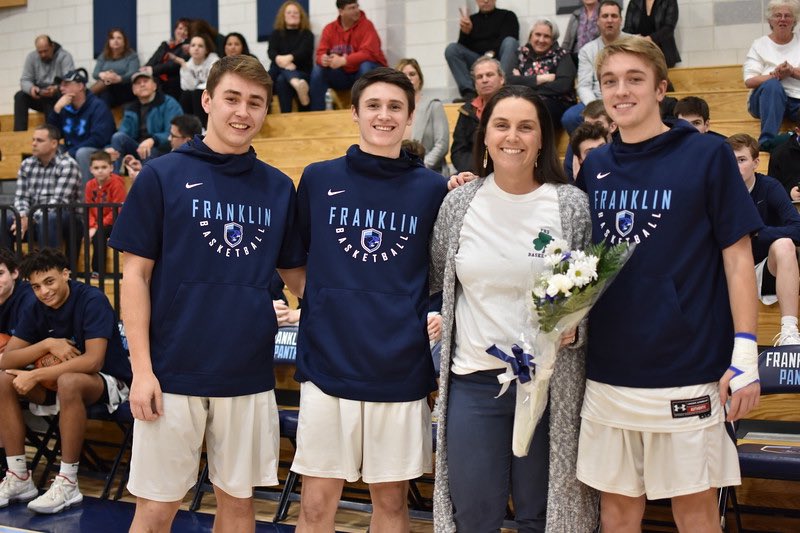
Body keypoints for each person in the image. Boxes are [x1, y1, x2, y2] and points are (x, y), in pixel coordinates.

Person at [108, 55, 305, 533]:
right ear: (208, 100)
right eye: (232, 98)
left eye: (255, 103)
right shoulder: (161, 175)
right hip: (171, 374)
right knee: (156, 509)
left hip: (248, 374)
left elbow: (300, 279)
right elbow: (133, 277)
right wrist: (141, 371)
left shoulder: (279, 188)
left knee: (238, 507)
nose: (243, 112)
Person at [576, 36, 762, 532]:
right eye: (610, 81)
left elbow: (738, 258)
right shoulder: (595, 167)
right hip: (609, 372)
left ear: (661, 88)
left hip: (688, 369)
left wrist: (745, 351)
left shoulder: (707, 155)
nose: (621, 91)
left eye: (634, 79)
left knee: (695, 512)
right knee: (616, 512)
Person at [430, 84, 599, 532]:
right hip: (473, 383)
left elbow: (591, 301)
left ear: (543, 138)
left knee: (542, 516)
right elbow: (438, 284)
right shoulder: (458, 204)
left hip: (550, 385)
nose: (513, 136)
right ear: (484, 135)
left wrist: (575, 330)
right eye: (501, 125)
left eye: (526, 127)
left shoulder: (571, 206)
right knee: (473, 515)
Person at [291, 67, 447, 532]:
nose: (384, 116)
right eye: (374, 106)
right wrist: (325, 302)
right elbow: (291, 260)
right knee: (316, 506)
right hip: (326, 363)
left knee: (391, 506)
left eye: (395, 107)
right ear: (355, 113)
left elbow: (439, 275)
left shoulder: (432, 189)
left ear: (410, 115)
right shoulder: (318, 179)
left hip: (398, 367)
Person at [0, 247, 131, 514]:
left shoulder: (92, 299)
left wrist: (36, 374)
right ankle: (19, 477)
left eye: (49, 281)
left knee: (70, 380)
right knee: (2, 379)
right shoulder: (37, 307)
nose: (44, 291)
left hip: (109, 381)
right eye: (36, 287)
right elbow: (7, 359)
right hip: (56, 384)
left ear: (66, 274)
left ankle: (69, 481)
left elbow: (93, 361)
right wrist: (48, 344)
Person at [727, 133, 800, 345]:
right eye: (730, 162)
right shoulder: (715, 191)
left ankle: (789, 332)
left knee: (785, 245)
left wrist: (757, 232)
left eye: (741, 160)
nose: (735, 167)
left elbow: (797, 228)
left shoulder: (770, 187)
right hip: (727, 270)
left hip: (761, 268)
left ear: (756, 162)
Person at [5, 124, 81, 252]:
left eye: (39, 140)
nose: (34, 144)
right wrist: (22, 216)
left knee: (49, 218)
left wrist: (30, 219)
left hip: (67, 219)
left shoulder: (68, 165)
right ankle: (9, 268)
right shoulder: (27, 164)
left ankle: (49, 268)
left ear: (53, 143)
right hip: (35, 218)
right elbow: (21, 197)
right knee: (5, 220)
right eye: (33, 140)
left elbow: (59, 203)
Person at [561, 0, 628, 134]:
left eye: (614, 16)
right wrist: (597, 108)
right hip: (597, 99)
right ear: (597, 21)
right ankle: (585, 150)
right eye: (605, 16)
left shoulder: (634, 43)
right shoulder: (587, 50)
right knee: (570, 118)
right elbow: (584, 85)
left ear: (621, 20)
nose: (609, 20)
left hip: (626, 95)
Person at [308, 0, 388, 111]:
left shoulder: (367, 25)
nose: (356, 11)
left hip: (365, 73)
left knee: (366, 66)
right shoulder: (329, 29)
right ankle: (317, 115)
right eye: (351, 8)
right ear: (341, 11)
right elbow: (319, 54)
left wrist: (343, 60)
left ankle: (367, 111)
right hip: (343, 75)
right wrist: (324, 60)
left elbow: (368, 53)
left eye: (357, 7)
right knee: (318, 70)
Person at [744, 0, 800, 151]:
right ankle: (766, 142)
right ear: (770, 20)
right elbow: (749, 81)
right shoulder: (759, 44)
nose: (782, 19)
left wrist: (792, 72)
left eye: (787, 16)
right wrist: (776, 75)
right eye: (777, 15)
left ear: (794, 20)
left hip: (796, 102)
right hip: (766, 100)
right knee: (772, 85)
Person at [46, 68, 116, 185]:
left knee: (82, 153)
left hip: (97, 150)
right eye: (61, 85)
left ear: (80, 86)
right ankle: (54, 196)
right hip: (72, 148)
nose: (61, 88)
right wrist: (56, 110)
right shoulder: (64, 107)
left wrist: (72, 152)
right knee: (50, 149)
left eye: (66, 84)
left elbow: (99, 138)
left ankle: (85, 201)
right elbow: (52, 135)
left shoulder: (97, 106)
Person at [105, 71, 183, 171]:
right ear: (133, 90)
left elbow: (173, 133)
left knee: (151, 152)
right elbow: (123, 131)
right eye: (138, 83)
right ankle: (114, 182)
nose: (142, 84)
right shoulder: (131, 108)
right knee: (117, 138)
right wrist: (111, 148)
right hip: (138, 148)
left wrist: (153, 140)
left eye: (145, 81)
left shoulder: (169, 104)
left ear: (154, 86)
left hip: (161, 148)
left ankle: (145, 183)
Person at [507, 19, 576, 129]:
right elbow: (509, 81)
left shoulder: (562, 55)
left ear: (553, 39)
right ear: (530, 36)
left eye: (547, 36)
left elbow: (563, 85)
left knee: (538, 108)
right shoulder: (520, 53)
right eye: (537, 34)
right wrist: (542, 78)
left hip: (555, 103)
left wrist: (523, 82)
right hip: (524, 100)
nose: (541, 40)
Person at [444, 0, 519, 102]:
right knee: (451, 49)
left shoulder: (507, 16)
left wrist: (489, 55)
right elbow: (460, 50)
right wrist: (465, 33)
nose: (486, 1)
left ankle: (503, 87)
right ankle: (469, 92)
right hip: (477, 62)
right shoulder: (471, 20)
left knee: (510, 42)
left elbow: (511, 41)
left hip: (499, 61)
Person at [450, 56, 505, 173]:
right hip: (473, 172)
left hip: (506, 171)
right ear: (475, 84)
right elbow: (458, 151)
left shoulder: (514, 106)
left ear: (501, 79)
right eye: (479, 77)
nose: (484, 80)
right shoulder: (467, 111)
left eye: (489, 75)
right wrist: (477, 169)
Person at [396, 58, 450, 173]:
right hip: (398, 171)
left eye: (412, 74)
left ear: (420, 79)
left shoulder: (434, 105)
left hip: (430, 171)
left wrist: (422, 166)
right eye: (403, 74)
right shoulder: (393, 110)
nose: (408, 78)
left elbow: (442, 144)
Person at [15, 35, 75, 131]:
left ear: (52, 46)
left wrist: (57, 88)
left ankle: (52, 132)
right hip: (39, 95)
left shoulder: (65, 57)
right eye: (40, 52)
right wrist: (31, 89)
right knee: (20, 96)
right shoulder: (31, 57)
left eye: (45, 51)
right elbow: (25, 80)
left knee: (52, 98)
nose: (43, 54)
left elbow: (70, 80)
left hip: (56, 96)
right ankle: (19, 132)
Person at [123, 114, 204, 180]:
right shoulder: (166, 153)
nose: (169, 138)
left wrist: (141, 178)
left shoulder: (193, 165)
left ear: (187, 140)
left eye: (173, 136)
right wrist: (142, 170)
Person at [85, 151, 126, 278]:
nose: (100, 171)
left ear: (111, 168)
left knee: (99, 234)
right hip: (97, 224)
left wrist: (97, 227)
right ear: (91, 169)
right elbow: (89, 208)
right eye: (96, 168)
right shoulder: (89, 185)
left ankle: (97, 270)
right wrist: (91, 225)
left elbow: (117, 210)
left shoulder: (117, 183)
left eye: (104, 167)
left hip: (116, 222)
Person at [268, 0, 315, 112]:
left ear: (301, 16)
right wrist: (280, 60)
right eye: (289, 12)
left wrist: (287, 59)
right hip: (280, 71)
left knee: (281, 79)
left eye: (295, 12)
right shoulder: (276, 34)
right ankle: (296, 83)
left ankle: (287, 114)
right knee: (280, 78)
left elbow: (304, 52)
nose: (292, 15)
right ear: (283, 16)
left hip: (302, 73)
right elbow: (271, 52)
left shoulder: (307, 34)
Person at [563, 100, 616, 180]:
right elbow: (569, 179)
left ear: (612, 127)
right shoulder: (577, 142)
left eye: (598, 125)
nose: (592, 129)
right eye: (587, 125)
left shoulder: (623, 144)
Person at [141, 18, 191, 101]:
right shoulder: (165, 45)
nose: (182, 32)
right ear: (175, 30)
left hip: (174, 83)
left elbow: (173, 65)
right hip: (158, 81)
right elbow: (153, 59)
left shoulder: (187, 47)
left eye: (186, 30)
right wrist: (145, 69)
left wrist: (152, 70)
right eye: (180, 28)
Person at [175, 34, 220, 127]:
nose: (196, 48)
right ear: (189, 49)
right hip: (195, 97)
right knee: (186, 95)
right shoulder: (186, 65)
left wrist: (197, 87)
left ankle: (203, 127)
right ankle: (187, 128)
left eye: (200, 46)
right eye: (193, 45)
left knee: (198, 92)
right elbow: (187, 87)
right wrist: (184, 67)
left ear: (206, 49)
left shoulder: (214, 61)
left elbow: (213, 83)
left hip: (213, 95)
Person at [91, 28, 140, 108]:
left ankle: (85, 97)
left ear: (124, 41)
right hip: (107, 89)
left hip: (125, 88)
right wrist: (103, 75)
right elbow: (95, 74)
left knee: (105, 84)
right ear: (109, 42)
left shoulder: (131, 55)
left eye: (119, 38)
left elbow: (133, 73)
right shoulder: (103, 56)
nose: (115, 40)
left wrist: (119, 78)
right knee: (105, 88)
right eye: (112, 38)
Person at [623, 0, 681, 67]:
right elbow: (627, 28)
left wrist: (649, 39)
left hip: (663, 54)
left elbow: (669, 27)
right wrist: (636, 39)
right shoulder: (634, 1)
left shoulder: (669, 1)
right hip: (638, 53)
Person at [562, 0, 600, 64]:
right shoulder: (576, 14)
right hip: (576, 60)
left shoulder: (605, 13)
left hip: (598, 59)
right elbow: (566, 43)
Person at [768, 127, 800, 199]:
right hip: (791, 206)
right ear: (797, 131)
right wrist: (790, 194)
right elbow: (771, 189)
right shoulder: (779, 154)